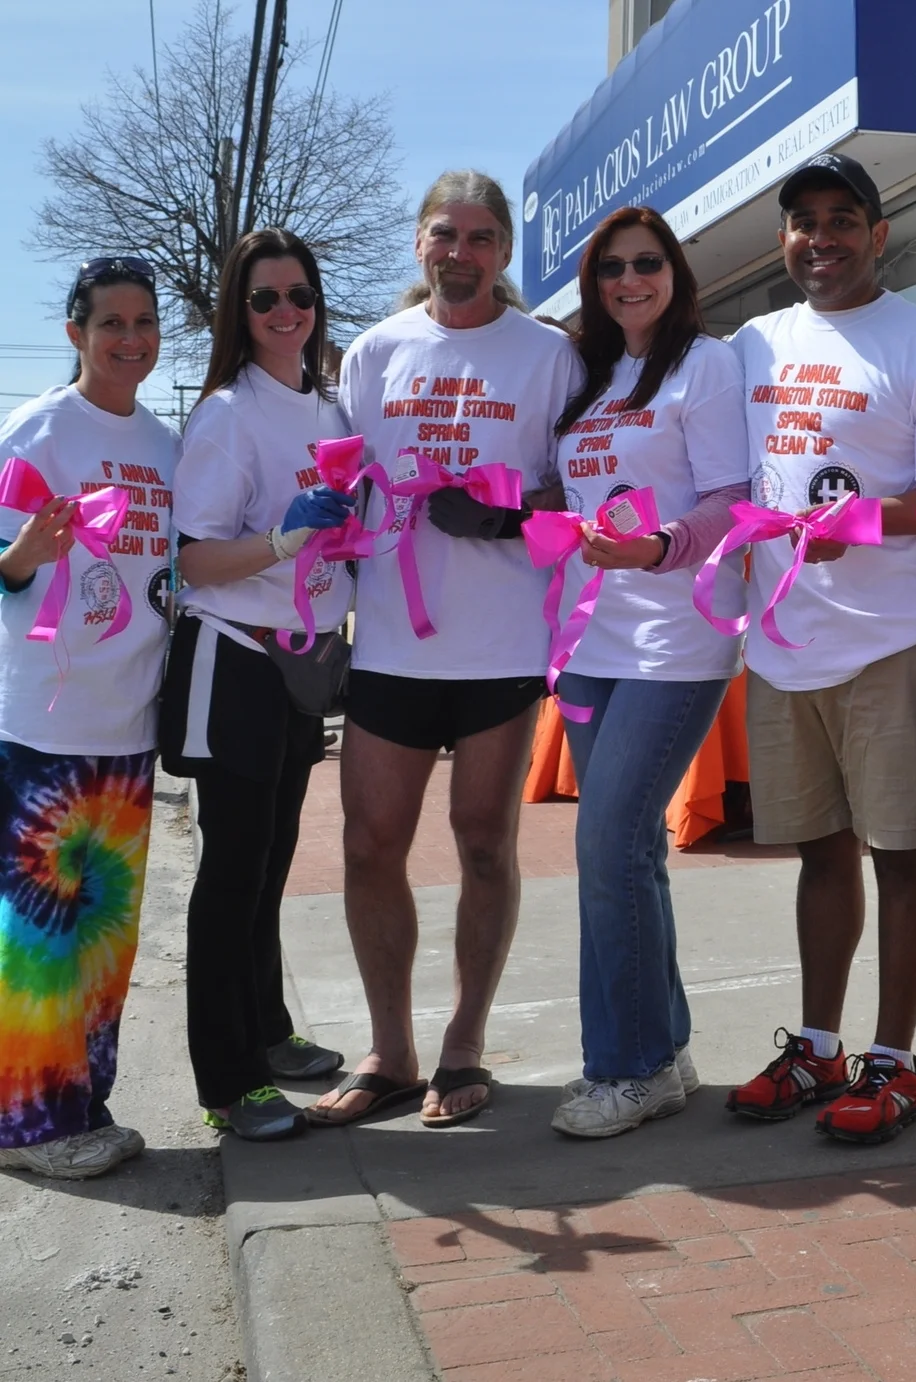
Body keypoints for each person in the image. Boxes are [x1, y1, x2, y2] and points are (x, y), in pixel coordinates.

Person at [725, 153, 916, 1143]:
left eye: (843, 218)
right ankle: (820, 1045)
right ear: (783, 237)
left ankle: (894, 1058)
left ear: (879, 234)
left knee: (901, 852)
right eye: (803, 220)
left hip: (894, 639)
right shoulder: (748, 344)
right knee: (818, 852)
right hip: (785, 640)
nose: (821, 236)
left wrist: (858, 523)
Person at [310, 171, 581, 1129]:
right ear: (418, 245)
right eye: (441, 235)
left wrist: (510, 517)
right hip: (388, 642)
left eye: (478, 238)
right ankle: (390, 1048)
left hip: (503, 646)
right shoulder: (375, 354)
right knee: (368, 844)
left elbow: (584, 490)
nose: (458, 253)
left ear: (504, 252)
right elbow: (343, 480)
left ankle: (465, 1043)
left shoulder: (549, 355)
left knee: (483, 844)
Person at [547, 206, 751, 1139]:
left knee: (607, 843)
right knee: (630, 854)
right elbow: (571, 490)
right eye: (612, 270)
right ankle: (662, 1053)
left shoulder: (703, 365)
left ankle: (623, 1069)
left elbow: (729, 498)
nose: (630, 281)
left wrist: (663, 547)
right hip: (589, 646)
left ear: (675, 271)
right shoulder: (586, 376)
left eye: (647, 264)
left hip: (677, 641)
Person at [159, 228, 354, 1141]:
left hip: (304, 660)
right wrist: (282, 539)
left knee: (273, 861)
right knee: (232, 873)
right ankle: (229, 1082)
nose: (287, 313)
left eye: (300, 296)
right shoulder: (226, 413)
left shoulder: (328, 406)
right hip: (232, 653)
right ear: (239, 313)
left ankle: (268, 1035)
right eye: (266, 299)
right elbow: (194, 556)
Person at [0, 257, 178, 1177]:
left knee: (107, 936)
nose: (131, 340)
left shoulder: (166, 444)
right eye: (111, 323)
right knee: (40, 935)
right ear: (75, 332)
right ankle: (27, 1126)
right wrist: (20, 556)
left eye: (145, 322)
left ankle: (82, 1105)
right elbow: (3, 565)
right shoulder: (35, 431)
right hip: (45, 729)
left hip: (131, 729)